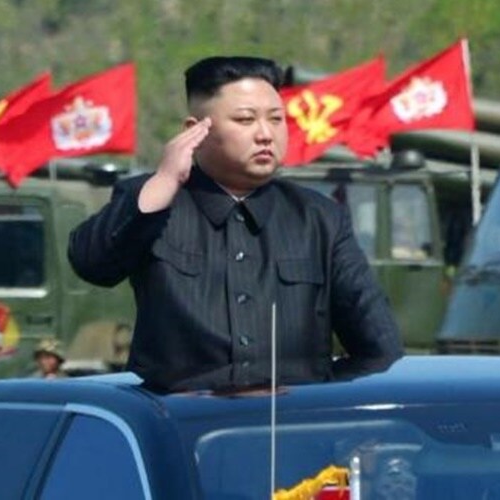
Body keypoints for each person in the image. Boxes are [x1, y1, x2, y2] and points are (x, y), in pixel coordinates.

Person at [67, 56, 403, 393]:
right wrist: (165, 181)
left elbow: (380, 350)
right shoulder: (155, 201)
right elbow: (92, 264)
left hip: (290, 417)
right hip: (180, 417)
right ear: (195, 131)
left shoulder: (320, 218)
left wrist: (314, 393)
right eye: (245, 119)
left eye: (276, 119)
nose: (265, 134)